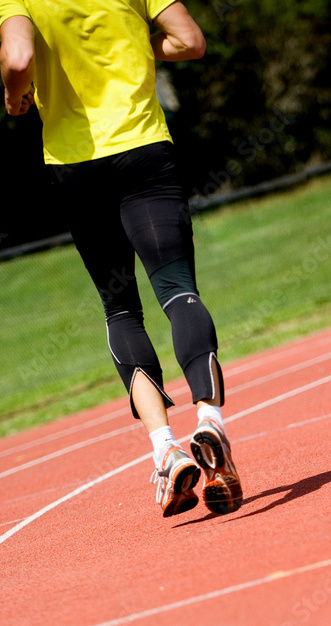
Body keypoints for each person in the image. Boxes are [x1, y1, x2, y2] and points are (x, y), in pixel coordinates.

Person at [0, 0, 243, 518]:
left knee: (121, 311)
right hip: (143, 150)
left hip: (76, 165)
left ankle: (166, 450)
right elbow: (190, 42)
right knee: (179, 291)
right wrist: (132, 49)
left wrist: (15, 95)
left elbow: (18, 59)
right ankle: (210, 421)